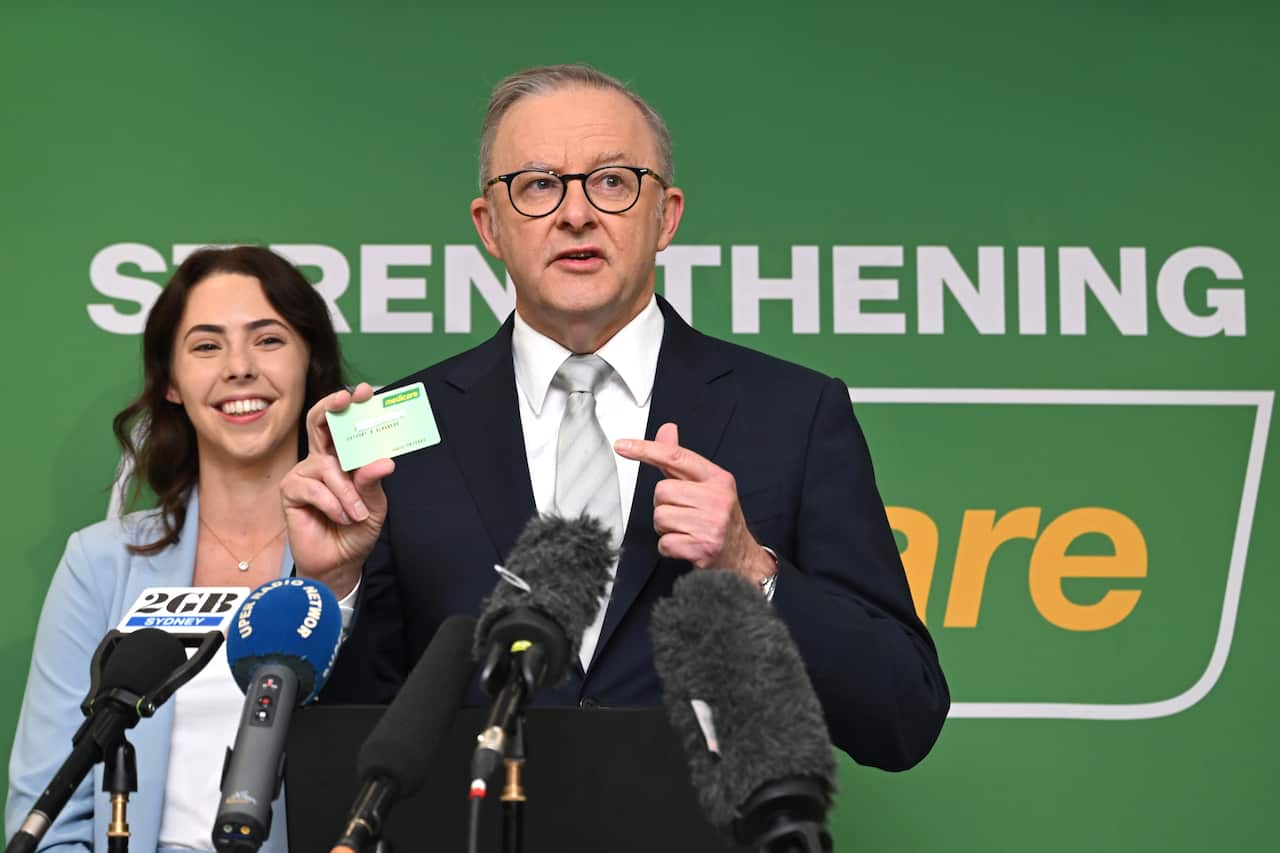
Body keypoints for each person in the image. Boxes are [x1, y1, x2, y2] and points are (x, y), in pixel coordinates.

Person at [285, 64, 949, 769]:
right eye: (539, 184)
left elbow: (902, 714)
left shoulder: (793, 412)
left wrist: (753, 570)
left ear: (666, 216)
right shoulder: (398, 434)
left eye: (612, 181)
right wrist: (334, 589)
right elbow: (349, 747)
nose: (577, 214)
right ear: (490, 225)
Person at [7, 246, 347, 852]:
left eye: (268, 340)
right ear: (170, 381)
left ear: (310, 363)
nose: (239, 368)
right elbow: (49, 818)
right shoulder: (101, 563)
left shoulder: (366, 554)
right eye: (207, 345)